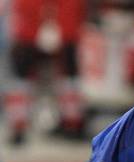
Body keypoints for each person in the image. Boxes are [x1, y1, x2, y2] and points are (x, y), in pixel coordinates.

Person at [5, 0, 86, 145]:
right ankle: (19, 125)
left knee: (68, 77)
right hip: (35, 23)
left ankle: (72, 123)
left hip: (44, 23)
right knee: (21, 79)